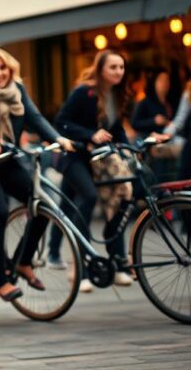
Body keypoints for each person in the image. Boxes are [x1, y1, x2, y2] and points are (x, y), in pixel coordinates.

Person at [0, 48, 74, 302]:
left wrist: (58, 138)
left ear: (10, 69)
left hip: (7, 159)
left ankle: (23, 260)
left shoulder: (18, 92)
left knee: (41, 204)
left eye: (2, 68)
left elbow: (36, 118)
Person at [51, 50, 169, 292]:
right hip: (74, 156)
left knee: (121, 197)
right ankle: (82, 266)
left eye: (121, 67)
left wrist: (132, 146)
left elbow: (116, 129)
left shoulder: (117, 94)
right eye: (113, 67)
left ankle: (117, 263)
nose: (118, 72)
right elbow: (61, 122)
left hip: (99, 158)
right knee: (86, 198)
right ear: (101, 69)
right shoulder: (84, 92)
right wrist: (89, 135)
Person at [132, 69, 173, 138]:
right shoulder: (146, 102)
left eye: (167, 80)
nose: (165, 83)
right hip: (151, 140)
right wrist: (153, 121)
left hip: (168, 138)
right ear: (154, 82)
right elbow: (135, 124)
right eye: (161, 80)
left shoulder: (171, 102)